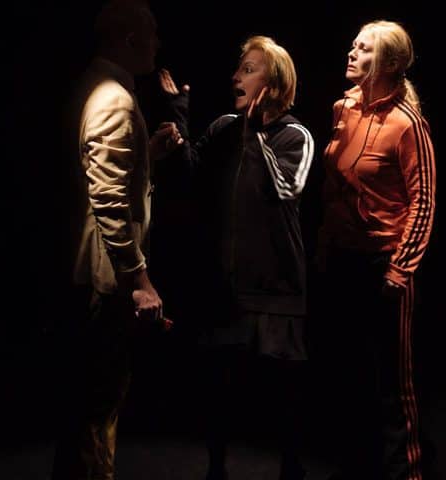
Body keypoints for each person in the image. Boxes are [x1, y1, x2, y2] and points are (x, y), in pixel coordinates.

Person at [158, 35, 314, 480]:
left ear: (275, 83)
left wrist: (256, 132)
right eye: (238, 68)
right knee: (219, 387)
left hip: (276, 287)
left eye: (248, 69)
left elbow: (285, 188)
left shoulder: (295, 134)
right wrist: (177, 116)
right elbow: (190, 175)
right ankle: (216, 471)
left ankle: (291, 470)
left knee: (283, 393)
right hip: (227, 288)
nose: (235, 77)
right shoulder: (225, 126)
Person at [53, 1, 182, 478]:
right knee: (97, 413)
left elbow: (100, 174)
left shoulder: (93, 85)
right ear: (130, 39)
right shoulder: (114, 98)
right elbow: (107, 202)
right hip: (104, 280)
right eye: (152, 34)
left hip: (87, 274)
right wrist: (140, 281)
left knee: (84, 411)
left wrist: (146, 154)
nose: (157, 44)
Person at [316, 20, 437, 480]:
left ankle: (407, 473)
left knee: (393, 380)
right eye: (353, 45)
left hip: (384, 262)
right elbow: (333, 189)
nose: (351, 52)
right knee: (347, 372)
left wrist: (399, 269)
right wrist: (325, 244)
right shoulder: (343, 109)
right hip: (343, 258)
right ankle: (355, 466)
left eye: (363, 49)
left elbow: (423, 201)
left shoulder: (407, 124)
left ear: (388, 63)